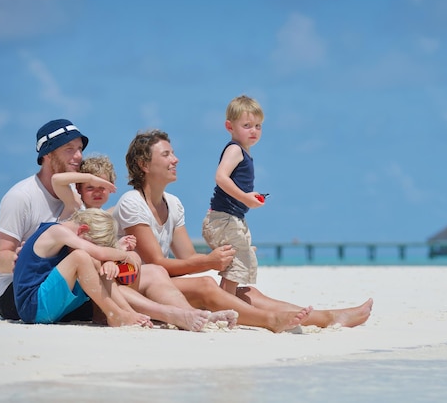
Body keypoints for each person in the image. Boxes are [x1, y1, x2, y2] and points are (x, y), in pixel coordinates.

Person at [113, 129, 373, 332]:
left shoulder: (174, 204)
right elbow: (156, 263)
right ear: (144, 164)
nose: (176, 159)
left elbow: (187, 259)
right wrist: (209, 261)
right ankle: (271, 320)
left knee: (248, 292)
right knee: (206, 285)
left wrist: (227, 253)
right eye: (166, 154)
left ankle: (326, 317)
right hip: (136, 286)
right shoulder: (132, 202)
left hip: (164, 283)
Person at [53, 154, 239, 331]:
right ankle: (169, 314)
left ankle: (191, 313)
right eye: (90, 187)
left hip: (102, 278)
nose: (97, 192)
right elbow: (58, 181)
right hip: (83, 285)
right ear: (79, 188)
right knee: (122, 272)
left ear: (111, 187)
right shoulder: (76, 208)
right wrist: (92, 178)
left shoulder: (110, 216)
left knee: (152, 268)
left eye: (103, 187)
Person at [0, 119, 94, 321]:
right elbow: (0, 259)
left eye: (80, 149)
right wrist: (22, 258)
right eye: (69, 149)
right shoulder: (21, 197)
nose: (78, 156)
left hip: (60, 281)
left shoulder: (74, 195)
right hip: (17, 294)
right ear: (47, 154)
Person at [13, 208, 152, 327]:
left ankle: (127, 311)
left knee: (94, 261)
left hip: (46, 306)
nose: (90, 247)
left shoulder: (64, 236)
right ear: (83, 230)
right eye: (92, 243)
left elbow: (98, 256)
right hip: (32, 307)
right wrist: (124, 255)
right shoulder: (57, 231)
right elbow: (99, 252)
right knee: (81, 257)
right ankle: (113, 313)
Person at [202, 95, 266, 296]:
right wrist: (246, 198)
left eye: (258, 126)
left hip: (231, 218)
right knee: (237, 263)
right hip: (225, 218)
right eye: (247, 125)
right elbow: (221, 177)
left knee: (240, 260)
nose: (254, 130)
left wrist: (249, 196)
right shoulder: (235, 150)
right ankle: (226, 302)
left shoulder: (243, 152)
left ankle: (227, 299)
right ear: (229, 127)